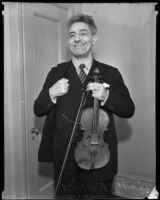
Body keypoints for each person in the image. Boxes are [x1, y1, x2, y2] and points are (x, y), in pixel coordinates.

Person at [34, 14, 135, 199]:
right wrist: (51, 93)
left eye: (83, 33)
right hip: (64, 159)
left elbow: (129, 109)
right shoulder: (56, 72)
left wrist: (106, 96)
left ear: (93, 38)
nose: (77, 39)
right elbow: (38, 109)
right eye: (72, 35)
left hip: (98, 156)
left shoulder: (111, 73)